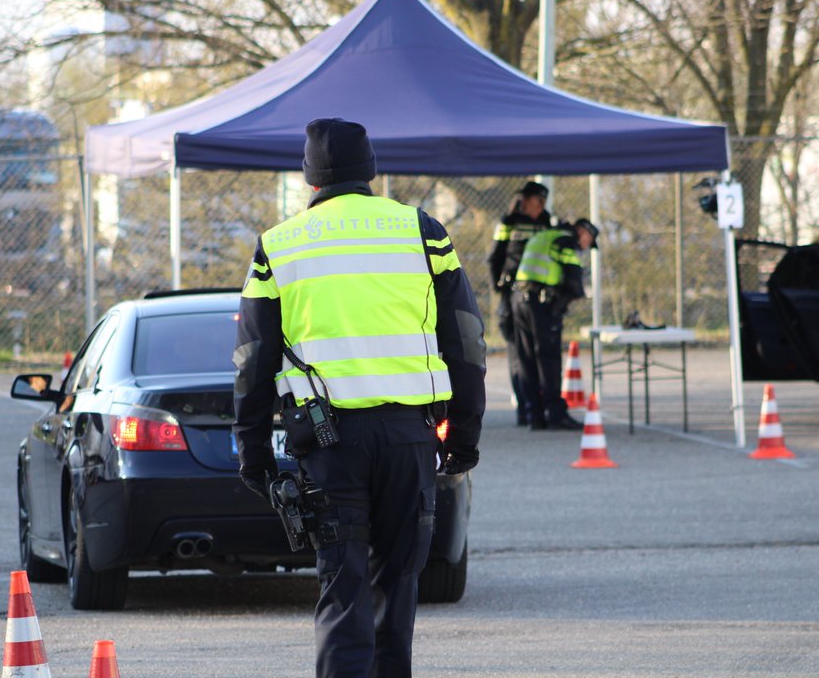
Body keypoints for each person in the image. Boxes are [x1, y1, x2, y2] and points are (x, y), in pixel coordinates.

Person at [233, 117, 486, 678]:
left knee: (344, 588)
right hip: (409, 438)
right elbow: (466, 340)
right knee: (397, 589)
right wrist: (464, 434)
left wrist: (253, 452)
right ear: (370, 170)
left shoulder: (279, 245)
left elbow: (253, 359)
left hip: (330, 446)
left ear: (310, 177)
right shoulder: (422, 231)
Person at [510, 218, 599, 431]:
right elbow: (575, 283)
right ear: (583, 231)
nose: (586, 246)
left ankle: (534, 415)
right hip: (542, 304)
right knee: (548, 359)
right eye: (589, 240)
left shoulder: (544, 236)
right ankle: (556, 415)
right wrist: (560, 305)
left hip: (519, 301)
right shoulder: (566, 242)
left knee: (527, 359)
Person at [487, 181, 552, 426]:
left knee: (537, 352)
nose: (540, 207)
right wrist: (499, 288)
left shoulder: (545, 221)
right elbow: (495, 256)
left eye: (543, 203)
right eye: (536, 202)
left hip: (537, 294)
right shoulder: (509, 222)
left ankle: (538, 405)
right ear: (524, 201)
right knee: (518, 353)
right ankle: (525, 407)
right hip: (512, 292)